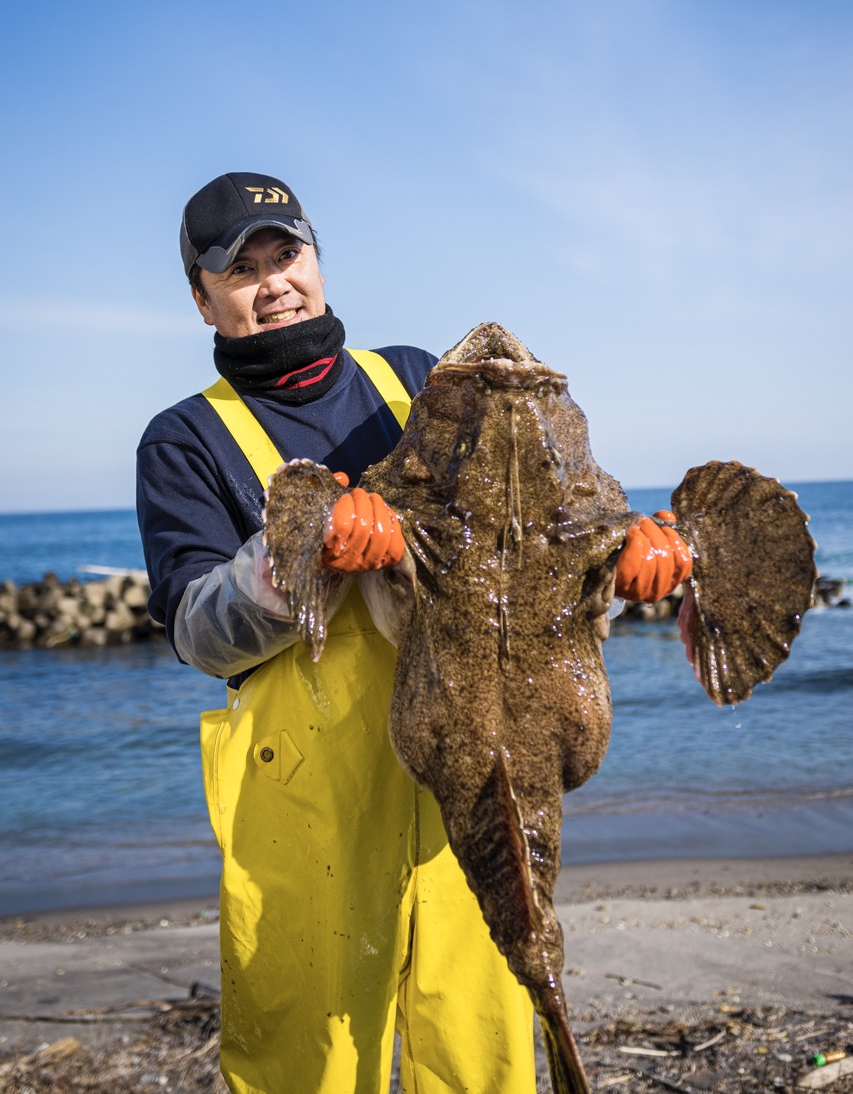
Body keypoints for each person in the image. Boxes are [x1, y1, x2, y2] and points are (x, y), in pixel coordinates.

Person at [136, 171, 691, 1094]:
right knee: (303, 1061)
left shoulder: (421, 380)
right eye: (241, 270)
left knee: (482, 1047)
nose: (273, 282)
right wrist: (297, 557)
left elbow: (533, 528)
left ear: (316, 260)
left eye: (288, 254)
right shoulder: (184, 438)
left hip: (473, 768)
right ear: (202, 298)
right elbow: (196, 630)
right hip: (307, 796)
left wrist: (628, 553)